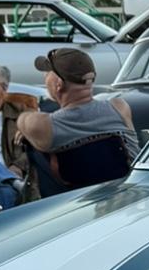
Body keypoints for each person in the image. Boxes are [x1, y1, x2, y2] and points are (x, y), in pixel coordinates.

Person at [16, 47, 139, 188]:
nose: (44, 77)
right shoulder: (119, 107)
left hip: (82, 202)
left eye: (47, 73)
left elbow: (22, 120)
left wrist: (26, 130)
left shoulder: (47, 125)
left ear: (59, 84)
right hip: (132, 193)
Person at [0, 62, 38, 208]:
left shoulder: (20, 114)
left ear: (3, 87)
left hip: (5, 176)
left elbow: (37, 145)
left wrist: (18, 165)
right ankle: (12, 183)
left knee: (1, 188)